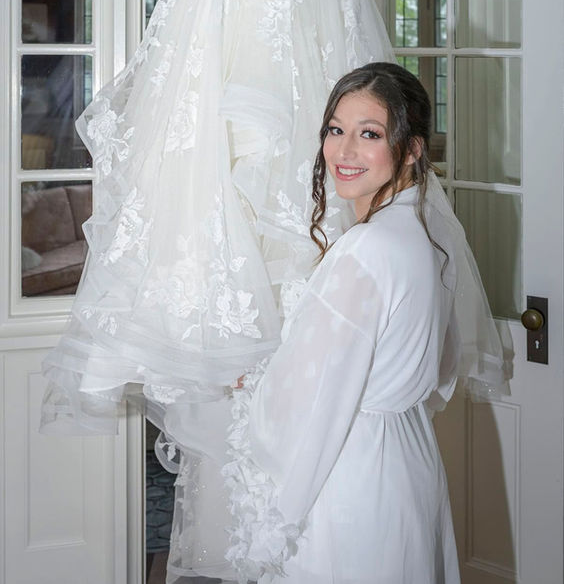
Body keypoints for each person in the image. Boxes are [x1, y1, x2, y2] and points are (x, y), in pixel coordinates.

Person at [168, 61, 505, 584]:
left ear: (412, 148)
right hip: (407, 459)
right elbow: (429, 374)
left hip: (348, 476)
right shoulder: (425, 241)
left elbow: (310, 403)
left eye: (368, 134)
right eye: (335, 130)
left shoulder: (368, 248)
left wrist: (253, 388)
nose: (344, 152)